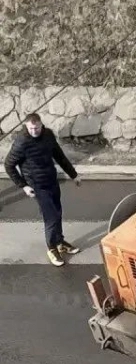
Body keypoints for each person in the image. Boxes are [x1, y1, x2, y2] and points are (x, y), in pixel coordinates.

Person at [4, 113, 82, 266]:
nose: (34, 131)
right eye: (31, 128)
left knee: (58, 212)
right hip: (37, 185)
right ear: (27, 126)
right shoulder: (22, 142)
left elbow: (59, 156)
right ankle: (52, 248)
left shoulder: (48, 135)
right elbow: (8, 165)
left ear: (41, 125)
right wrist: (24, 186)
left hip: (51, 180)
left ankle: (60, 243)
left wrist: (74, 175)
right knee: (51, 217)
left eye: (37, 128)